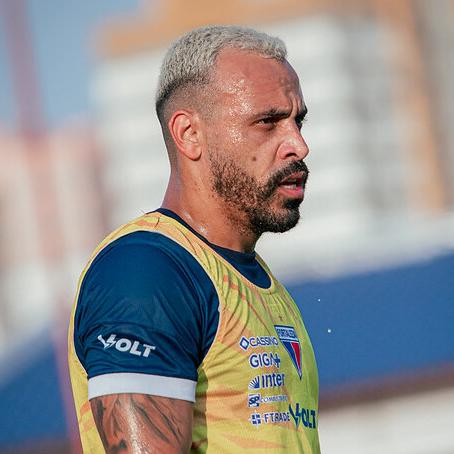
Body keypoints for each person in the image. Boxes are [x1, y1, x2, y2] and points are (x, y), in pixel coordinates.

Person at [68, 25, 320, 453]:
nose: (298, 144)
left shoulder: (256, 279)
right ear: (189, 134)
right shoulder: (147, 273)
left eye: (298, 121)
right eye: (267, 122)